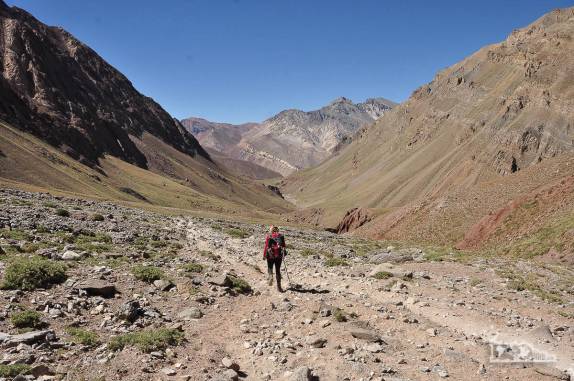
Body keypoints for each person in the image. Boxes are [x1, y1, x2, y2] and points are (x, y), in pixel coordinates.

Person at [263, 225, 286, 292]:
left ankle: (270, 276)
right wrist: (283, 255)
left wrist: (264, 255)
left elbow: (266, 247)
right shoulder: (281, 236)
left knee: (270, 267)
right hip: (278, 256)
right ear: (277, 230)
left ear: (271, 230)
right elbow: (284, 246)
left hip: (270, 255)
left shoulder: (269, 236)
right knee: (278, 270)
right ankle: (279, 287)